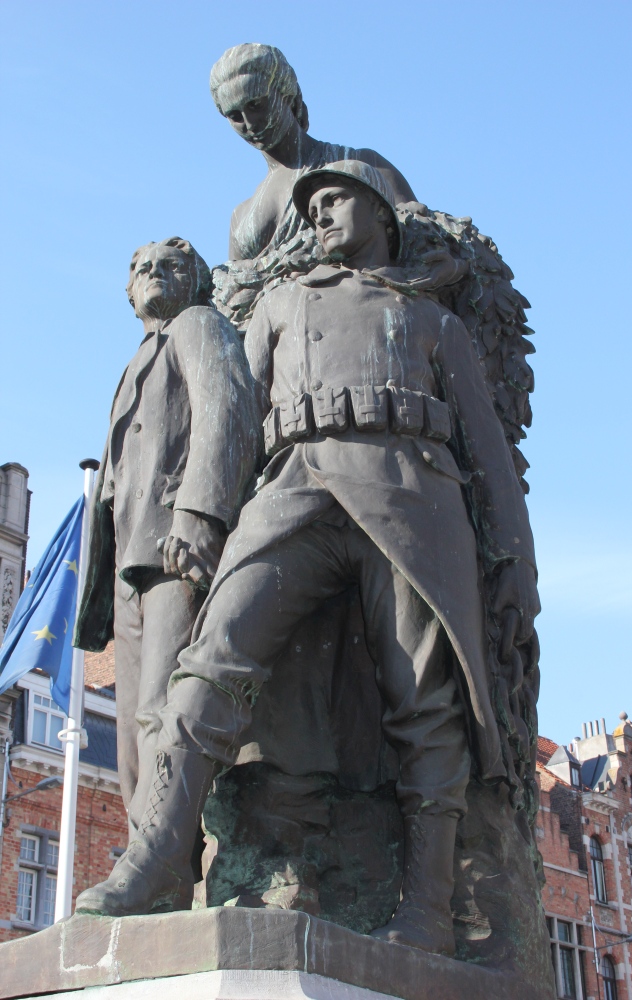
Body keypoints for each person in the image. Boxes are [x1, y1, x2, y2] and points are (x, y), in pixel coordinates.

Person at [75, 165, 539, 958]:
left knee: (424, 705)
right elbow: (236, 422)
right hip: (293, 485)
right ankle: (157, 854)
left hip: (412, 504)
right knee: (211, 660)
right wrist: (206, 517)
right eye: (311, 205)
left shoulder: (432, 323)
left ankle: (425, 908)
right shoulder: (284, 306)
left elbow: (489, 456)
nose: (319, 213)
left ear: (380, 216)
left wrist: (514, 569)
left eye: (336, 200)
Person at [74, 237, 260, 841]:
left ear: (197, 281)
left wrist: (200, 514)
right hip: (131, 562)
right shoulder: (134, 362)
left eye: (171, 266)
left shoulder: (200, 326)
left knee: (164, 705)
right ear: (129, 292)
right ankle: (145, 850)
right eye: (142, 269)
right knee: (131, 723)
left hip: (175, 548)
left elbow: (224, 409)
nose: (154, 274)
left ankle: (166, 851)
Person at [210, 43, 415, 261]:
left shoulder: (362, 163)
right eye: (234, 116)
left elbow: (420, 237)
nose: (249, 123)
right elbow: (232, 291)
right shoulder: (240, 217)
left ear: (286, 95)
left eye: (256, 104)